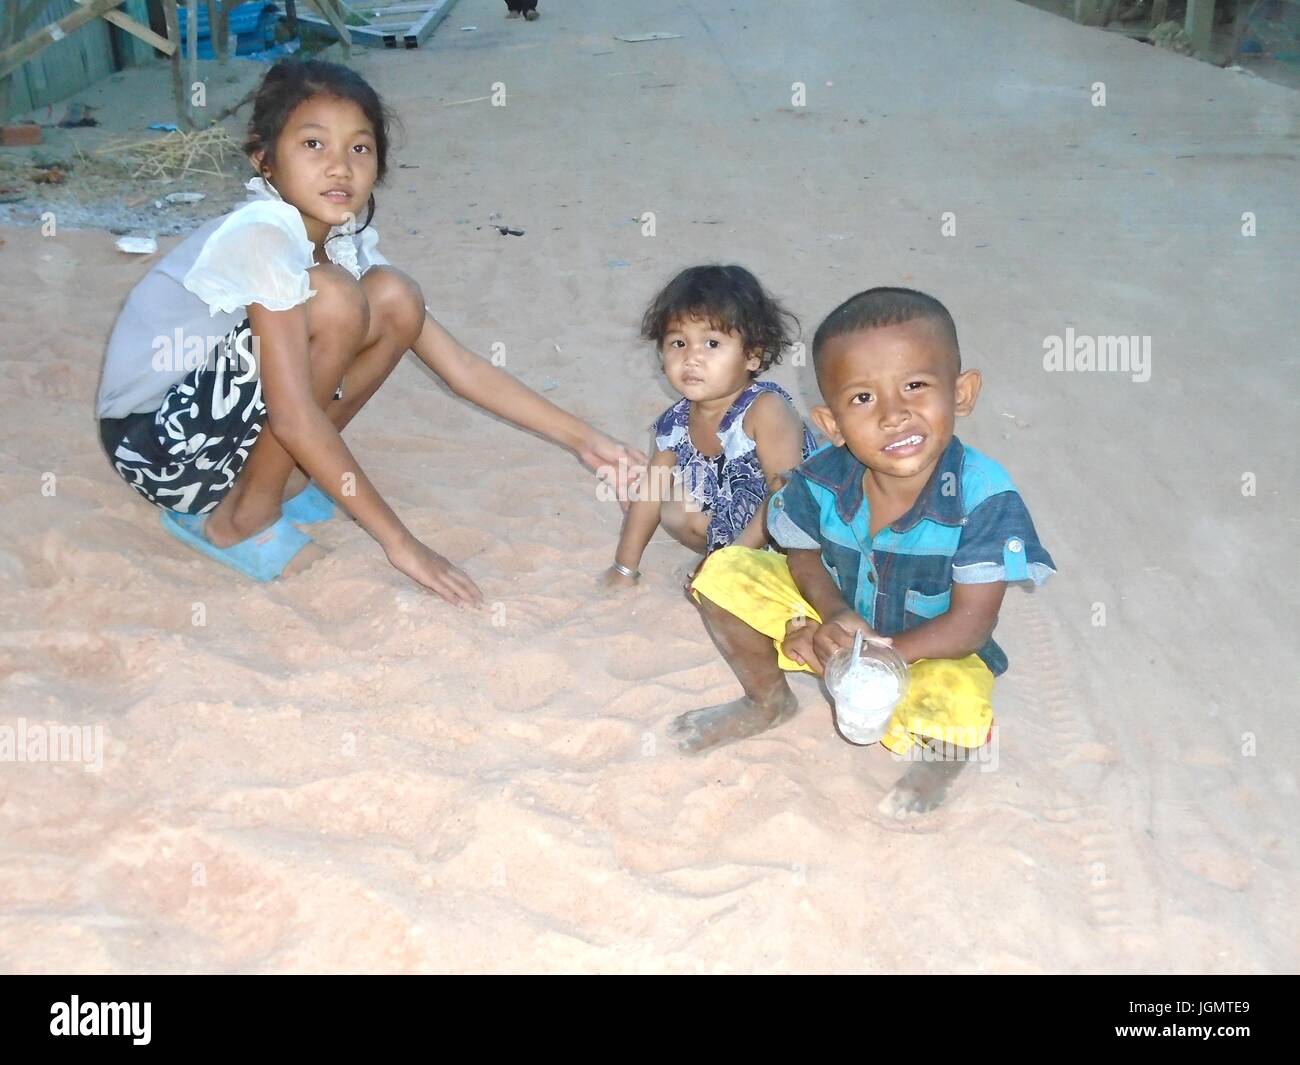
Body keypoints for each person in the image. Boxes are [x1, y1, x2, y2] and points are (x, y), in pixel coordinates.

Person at [96, 60, 642, 604]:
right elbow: (290, 412)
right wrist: (401, 544)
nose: (339, 167)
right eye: (313, 145)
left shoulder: (341, 240)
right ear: (264, 159)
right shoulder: (261, 236)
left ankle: (281, 478)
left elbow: (461, 368)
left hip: (210, 427)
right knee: (333, 299)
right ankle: (241, 518)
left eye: (359, 148)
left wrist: (589, 441)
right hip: (158, 447)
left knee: (394, 297)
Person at [673, 287, 1056, 816]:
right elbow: (802, 553)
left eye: (916, 386)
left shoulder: (983, 499)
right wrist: (829, 616)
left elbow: (971, 624)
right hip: (837, 615)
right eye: (862, 398)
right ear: (831, 425)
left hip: (925, 646)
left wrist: (878, 655)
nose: (894, 415)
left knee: (962, 701)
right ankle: (766, 702)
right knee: (722, 575)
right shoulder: (823, 477)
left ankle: (941, 764)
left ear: (962, 393)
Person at [603, 265, 815, 588]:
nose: (692, 358)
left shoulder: (765, 410)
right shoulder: (675, 421)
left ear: (753, 357)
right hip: (734, 518)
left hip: (793, 531)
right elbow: (649, 495)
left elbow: (786, 497)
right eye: (678, 343)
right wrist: (623, 569)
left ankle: (737, 564)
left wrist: (725, 566)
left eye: (712, 344)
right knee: (670, 502)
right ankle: (725, 557)